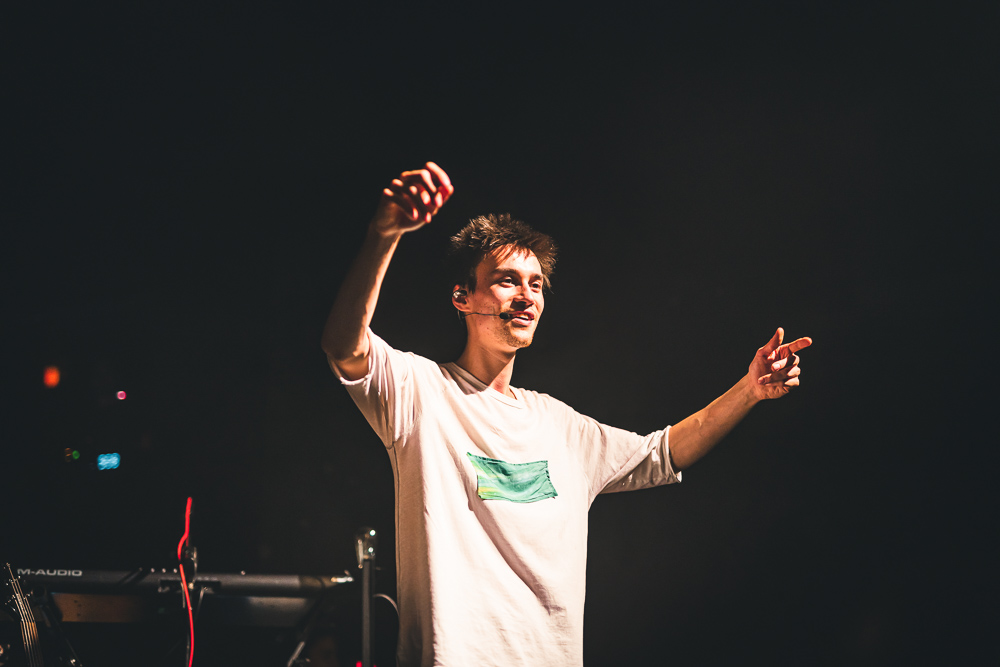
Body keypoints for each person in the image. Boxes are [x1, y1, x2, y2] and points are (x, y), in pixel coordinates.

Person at [321, 162, 812, 667]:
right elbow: (345, 348)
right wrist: (384, 234)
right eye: (507, 281)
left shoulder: (561, 426)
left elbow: (664, 452)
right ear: (462, 298)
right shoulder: (420, 392)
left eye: (535, 284)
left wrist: (749, 390)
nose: (526, 296)